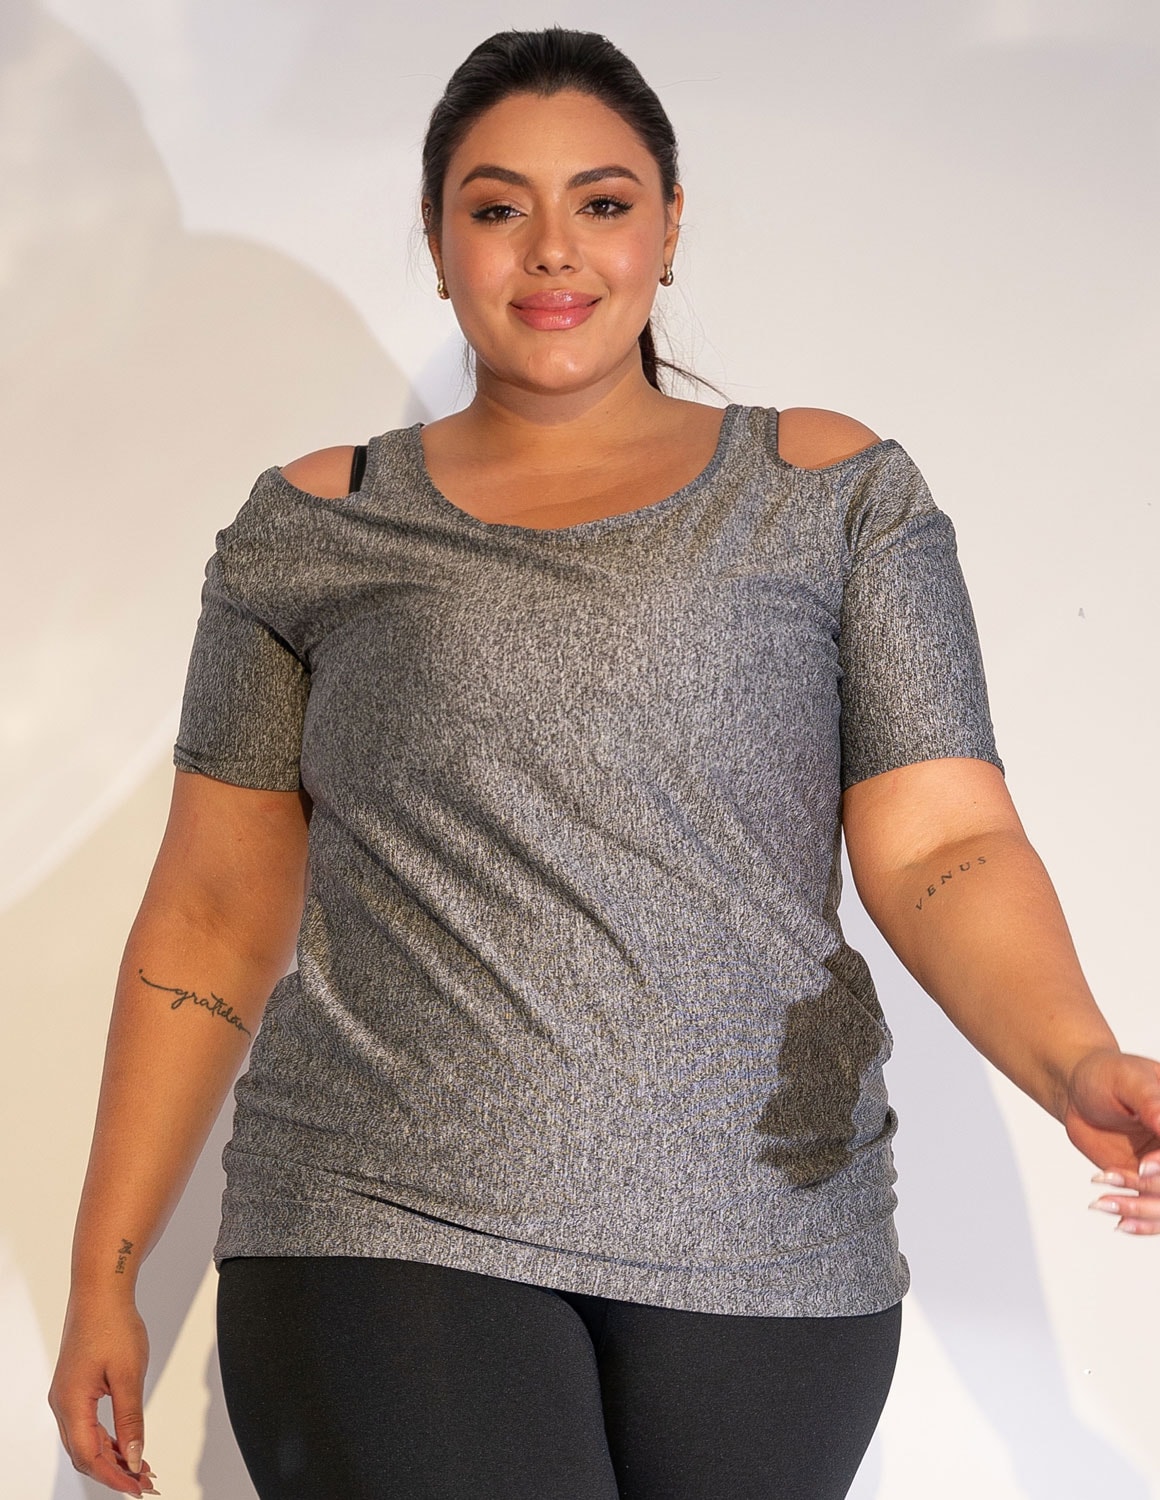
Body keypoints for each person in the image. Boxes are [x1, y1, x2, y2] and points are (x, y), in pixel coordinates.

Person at [48, 25, 1160, 1500]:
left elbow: (944, 843)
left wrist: (1076, 1058)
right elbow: (209, 917)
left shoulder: (831, 496)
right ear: (437, 243)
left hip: (776, 1249)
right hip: (382, 1221)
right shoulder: (315, 526)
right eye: (497, 207)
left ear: (671, 227)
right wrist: (105, 1273)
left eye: (605, 202)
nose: (553, 250)